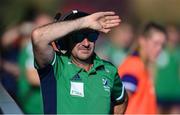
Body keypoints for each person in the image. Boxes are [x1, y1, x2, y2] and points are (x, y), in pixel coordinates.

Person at [31, 10, 128, 114]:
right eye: (78, 36)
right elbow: (38, 37)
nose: (86, 43)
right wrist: (85, 22)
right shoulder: (56, 66)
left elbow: (122, 99)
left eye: (91, 36)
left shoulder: (109, 70)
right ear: (67, 40)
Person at [118, 22, 167, 114]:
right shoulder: (134, 65)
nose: (159, 48)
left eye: (162, 45)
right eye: (156, 43)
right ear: (142, 40)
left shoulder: (143, 66)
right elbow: (122, 100)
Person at [155, 25, 180, 114]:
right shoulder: (158, 51)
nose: (172, 36)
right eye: (170, 33)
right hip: (160, 92)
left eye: (175, 33)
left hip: (176, 92)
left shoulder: (178, 52)